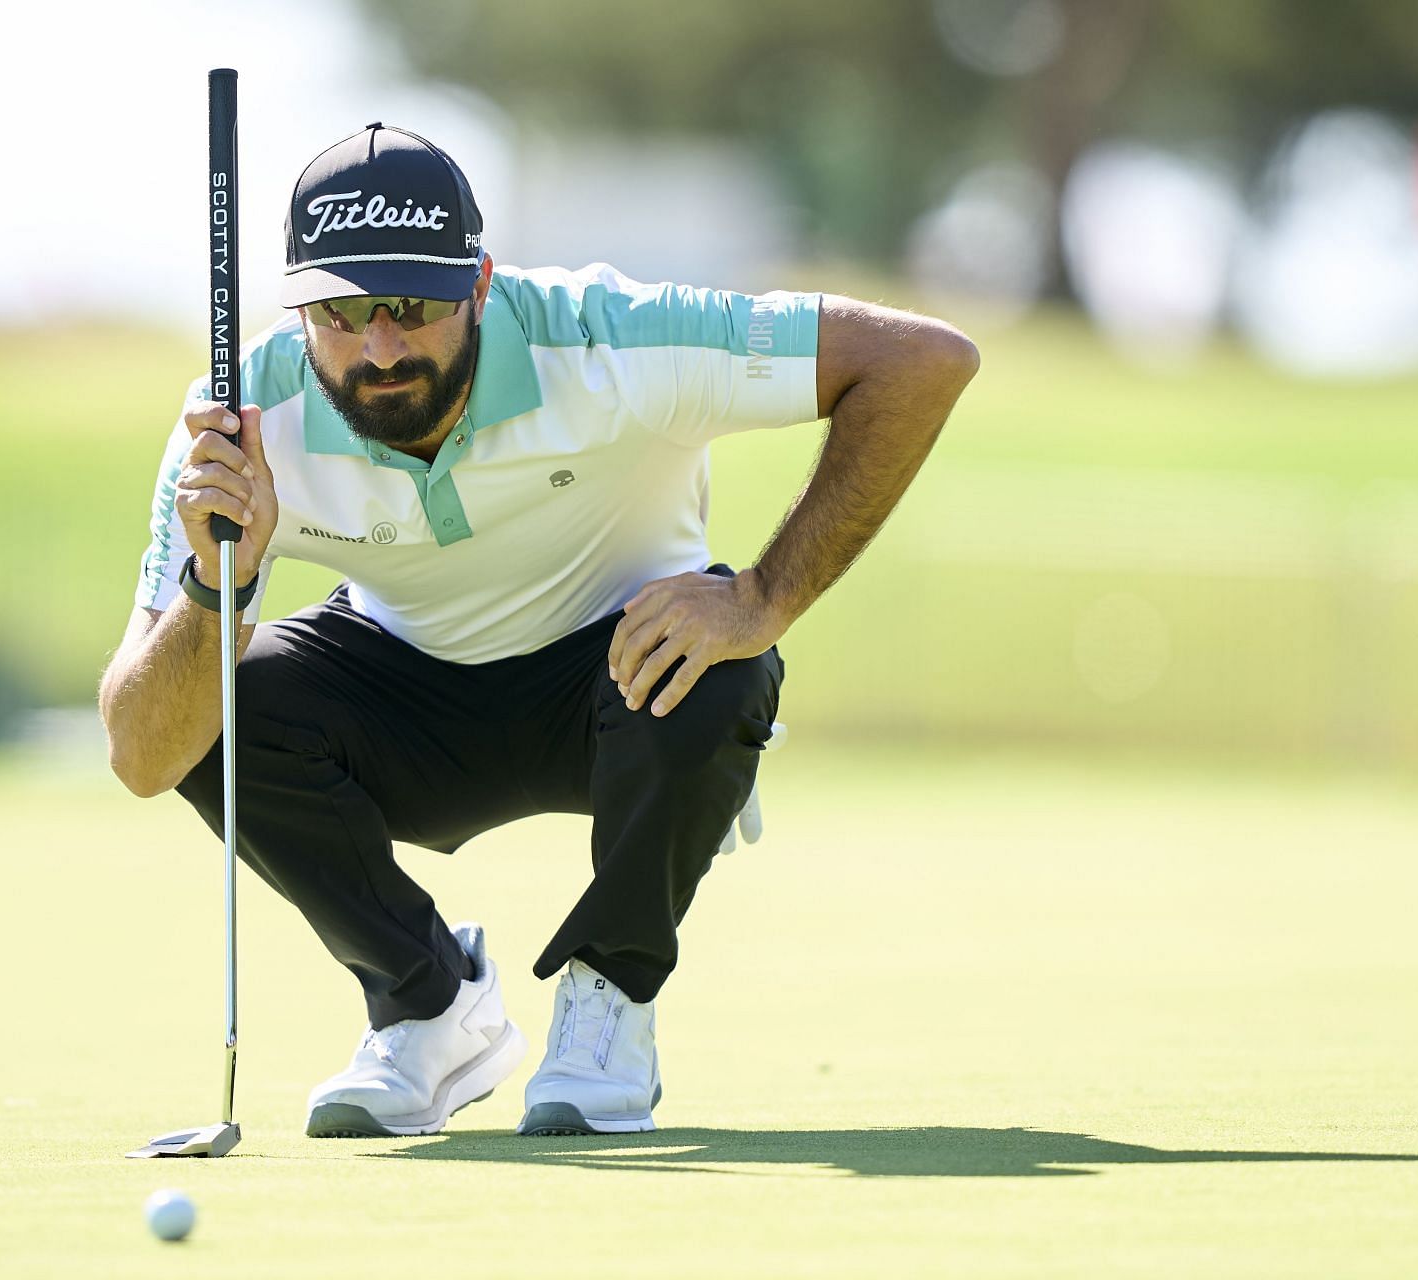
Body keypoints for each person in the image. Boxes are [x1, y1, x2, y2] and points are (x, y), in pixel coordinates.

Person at [98, 123, 978, 1138]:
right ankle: (429, 1006)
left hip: (625, 678)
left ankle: (612, 994)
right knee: (217, 695)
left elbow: (922, 360)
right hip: (403, 692)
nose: (380, 346)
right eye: (341, 312)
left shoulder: (612, 336)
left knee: (724, 666)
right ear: (299, 308)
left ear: (478, 284)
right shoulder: (237, 420)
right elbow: (141, 749)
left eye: (412, 307)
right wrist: (223, 583)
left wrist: (762, 597)